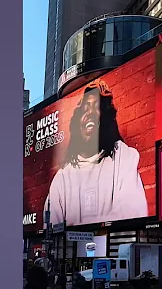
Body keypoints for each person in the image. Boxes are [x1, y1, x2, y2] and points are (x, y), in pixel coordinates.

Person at [43, 79, 148, 227]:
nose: (90, 112)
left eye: (96, 106)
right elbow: (52, 229)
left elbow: (132, 216)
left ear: (104, 118)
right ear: (78, 121)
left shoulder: (123, 158)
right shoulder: (63, 178)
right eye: (85, 107)